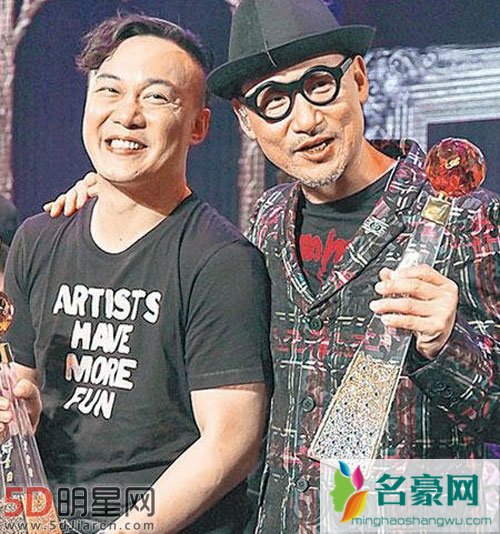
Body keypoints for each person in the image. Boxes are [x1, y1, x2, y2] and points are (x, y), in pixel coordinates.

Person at [46, 1, 499, 532]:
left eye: (320, 85)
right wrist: (119, 195)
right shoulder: (267, 221)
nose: (304, 121)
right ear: (247, 121)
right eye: (273, 101)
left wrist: (447, 344)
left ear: (358, 79)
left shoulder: (465, 218)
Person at [2, 14, 271, 534]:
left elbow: (230, 446)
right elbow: (24, 393)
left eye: (156, 97)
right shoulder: (38, 239)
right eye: (109, 90)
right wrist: (19, 415)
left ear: (198, 126)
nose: (126, 115)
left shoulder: (221, 261)